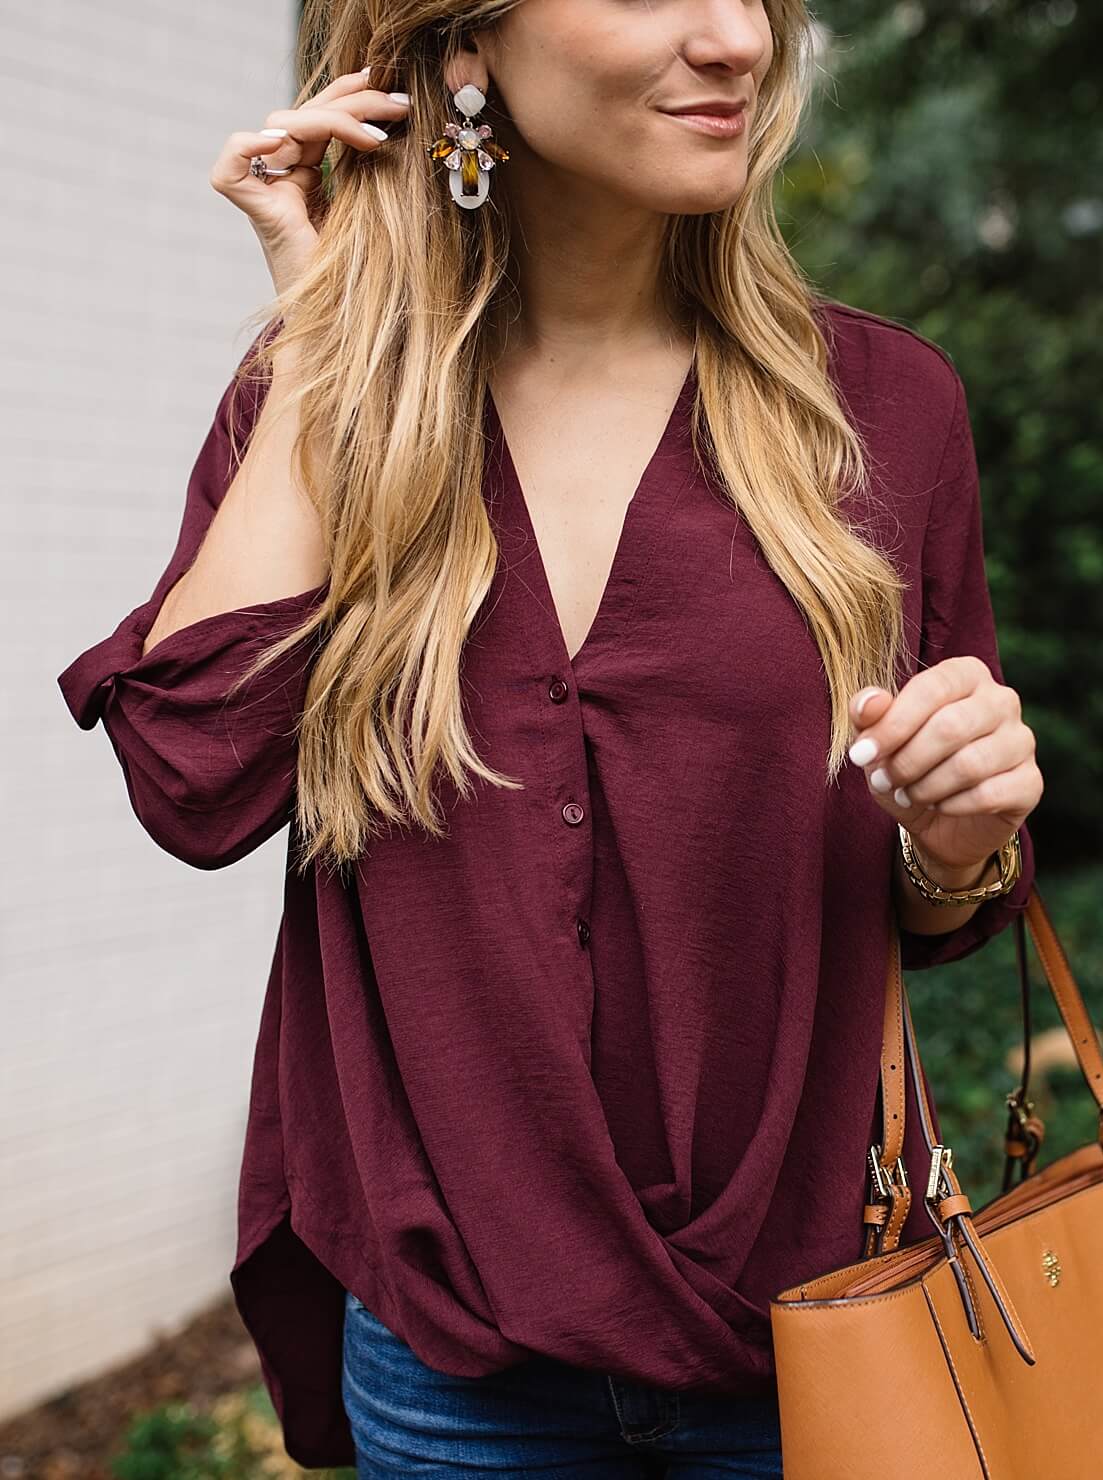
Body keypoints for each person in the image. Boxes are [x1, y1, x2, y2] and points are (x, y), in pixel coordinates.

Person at [56, 0, 1044, 1473]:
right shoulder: (321, 405)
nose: (735, 40)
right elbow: (195, 777)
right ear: (465, 51)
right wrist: (329, 344)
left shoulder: (886, 407)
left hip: (814, 1323)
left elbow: (946, 893)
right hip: (455, 1363)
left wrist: (961, 836)